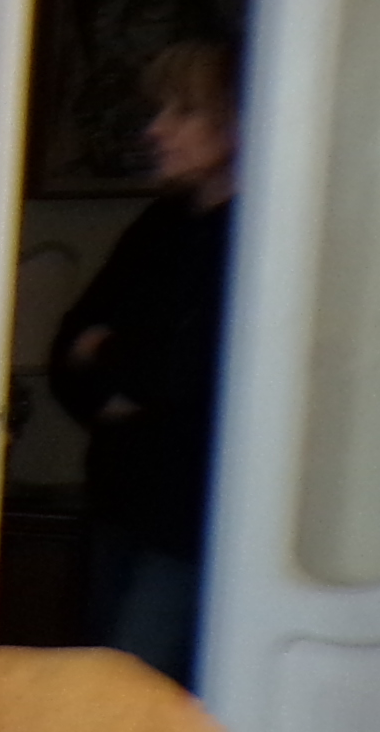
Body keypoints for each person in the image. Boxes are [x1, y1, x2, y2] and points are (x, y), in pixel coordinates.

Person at [47, 38, 240, 687]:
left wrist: (110, 351)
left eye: (182, 111)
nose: (155, 130)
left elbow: (190, 371)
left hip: (192, 522)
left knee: (131, 691)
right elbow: (67, 351)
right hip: (120, 504)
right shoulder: (160, 224)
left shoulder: (260, 234)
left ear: (237, 123)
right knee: (98, 683)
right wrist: (115, 372)